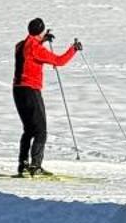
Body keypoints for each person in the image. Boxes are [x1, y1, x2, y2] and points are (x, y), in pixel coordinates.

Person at [12, 17, 81, 176]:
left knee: (28, 130)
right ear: (40, 31)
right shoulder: (36, 49)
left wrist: (42, 40)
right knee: (41, 131)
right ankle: (36, 166)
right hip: (31, 90)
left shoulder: (20, 45)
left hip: (17, 91)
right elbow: (59, 61)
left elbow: (29, 50)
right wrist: (74, 49)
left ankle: (23, 165)